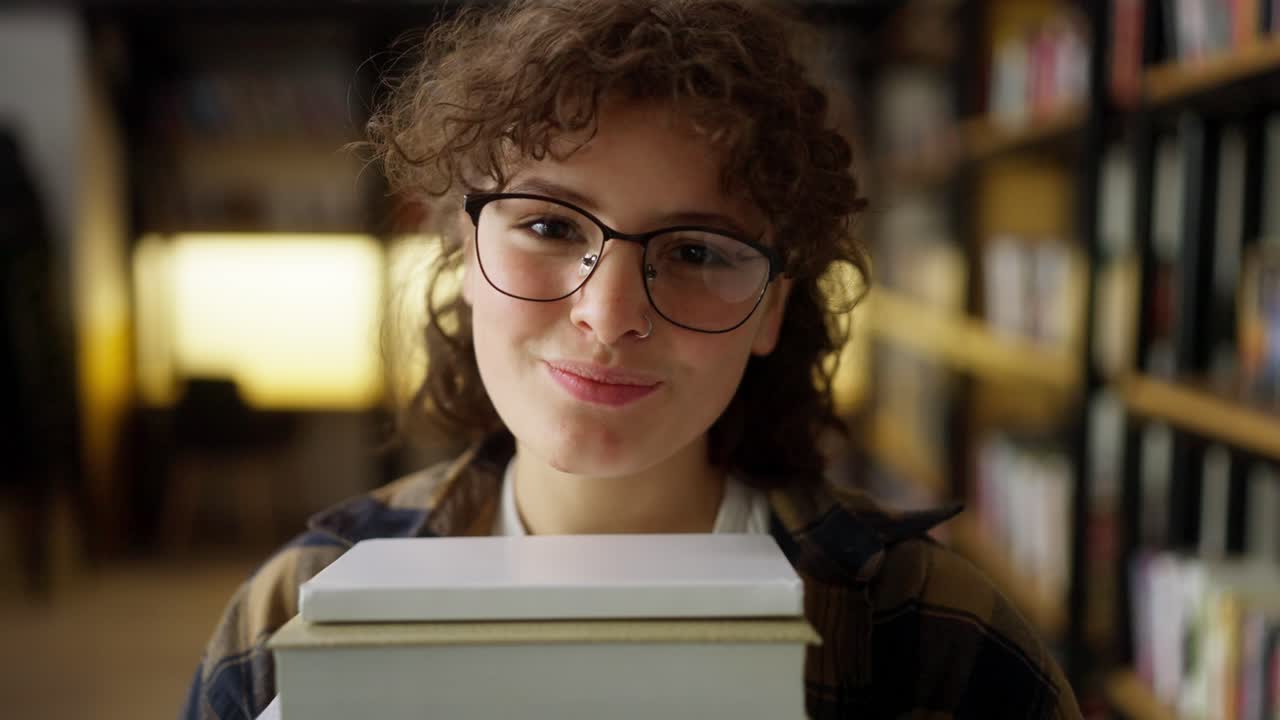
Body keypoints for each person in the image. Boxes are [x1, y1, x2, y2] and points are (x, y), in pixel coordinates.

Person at [181, 1, 1083, 718]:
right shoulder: (294, 609)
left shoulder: (940, 638)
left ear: (772, 307)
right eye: (548, 226)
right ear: (462, 252)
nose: (608, 317)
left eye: (695, 251)